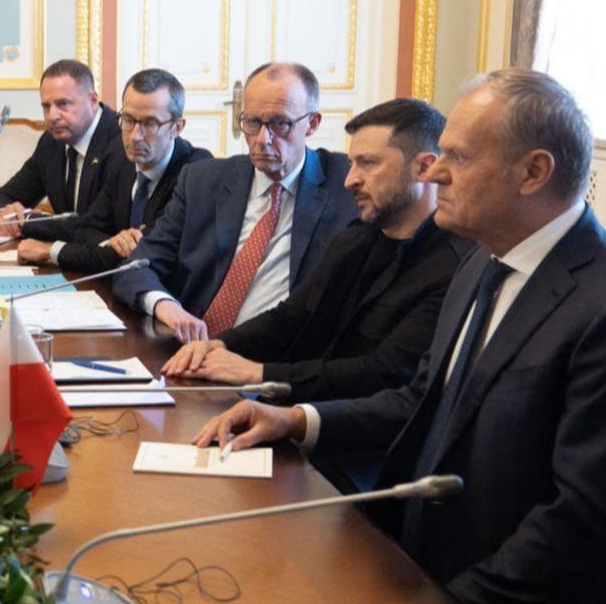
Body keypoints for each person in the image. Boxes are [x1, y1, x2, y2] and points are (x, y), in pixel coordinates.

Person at [194, 69, 606, 604]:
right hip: (417, 568)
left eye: (458, 157)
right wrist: (297, 419)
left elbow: (581, 521)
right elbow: (421, 400)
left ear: (533, 172)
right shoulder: (483, 263)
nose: (436, 172)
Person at [163, 99, 471, 408]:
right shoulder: (355, 239)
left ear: (424, 168)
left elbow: (385, 372)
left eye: (368, 163)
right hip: (293, 409)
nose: (350, 180)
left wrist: (259, 373)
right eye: (351, 163)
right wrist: (218, 346)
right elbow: (291, 318)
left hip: (345, 428)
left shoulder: (453, 267)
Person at [112, 62, 358, 341]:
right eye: (252, 123)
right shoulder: (202, 181)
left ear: (312, 124)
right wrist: (165, 306)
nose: (262, 139)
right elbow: (136, 267)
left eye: (280, 124)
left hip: (274, 357)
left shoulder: (346, 184)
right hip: (189, 347)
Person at [16, 68, 211, 272]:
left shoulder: (196, 173)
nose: (135, 136)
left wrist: (50, 251)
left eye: (150, 124)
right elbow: (87, 229)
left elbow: (142, 256)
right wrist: (113, 243)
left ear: (177, 127)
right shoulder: (122, 160)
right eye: (128, 120)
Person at [0, 59, 125, 240]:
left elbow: (96, 224)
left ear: (92, 100)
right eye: (46, 106)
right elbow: (4, 196)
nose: (52, 116)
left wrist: (27, 222)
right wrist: (4, 214)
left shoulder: (121, 140)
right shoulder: (51, 142)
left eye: (63, 104)